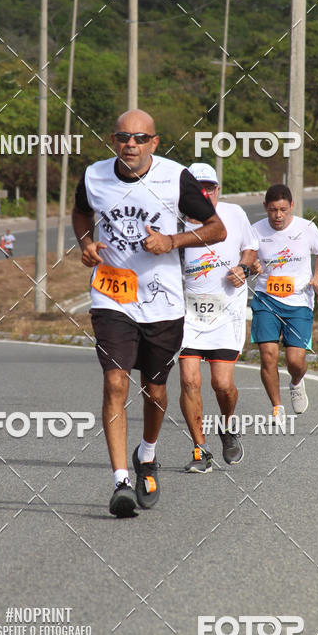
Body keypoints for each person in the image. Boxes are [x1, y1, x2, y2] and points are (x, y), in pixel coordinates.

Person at [72, 109, 226, 517]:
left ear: (154, 143)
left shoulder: (175, 178)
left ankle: (148, 453)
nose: (131, 145)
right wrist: (86, 242)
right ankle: (121, 481)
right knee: (115, 383)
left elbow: (216, 229)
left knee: (155, 391)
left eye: (140, 138)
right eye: (124, 137)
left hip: (163, 303)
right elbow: (80, 213)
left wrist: (172, 241)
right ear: (113, 140)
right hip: (112, 296)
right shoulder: (93, 176)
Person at [179, 163, 258, 472]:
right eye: (198, 187)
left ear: (218, 190)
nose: (204, 193)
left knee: (222, 384)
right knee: (189, 379)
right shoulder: (174, 220)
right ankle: (200, 450)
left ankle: (227, 426)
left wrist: (244, 268)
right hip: (187, 314)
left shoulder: (235, 214)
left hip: (227, 313)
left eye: (209, 187)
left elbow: (250, 250)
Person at [250, 184, 318, 422]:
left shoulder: (307, 227)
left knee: (295, 361)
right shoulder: (255, 230)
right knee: (268, 355)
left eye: (283, 209)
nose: (278, 215)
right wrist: (252, 264)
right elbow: (247, 255)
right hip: (266, 298)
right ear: (265, 207)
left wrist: (316, 277)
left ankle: (296, 381)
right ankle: (277, 407)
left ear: (291, 206)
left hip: (299, 301)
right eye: (273, 210)